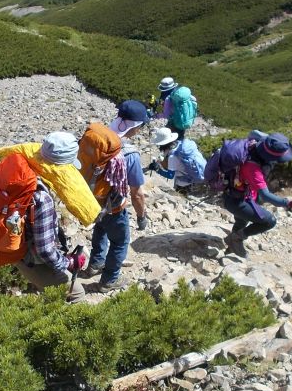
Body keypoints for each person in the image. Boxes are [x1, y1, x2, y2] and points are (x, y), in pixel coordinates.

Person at [12, 132, 88, 303]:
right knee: (76, 294)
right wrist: (68, 262)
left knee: (49, 293)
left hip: (17, 250)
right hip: (31, 260)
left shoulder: (25, 173)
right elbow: (45, 250)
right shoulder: (41, 198)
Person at [82, 100, 148, 293]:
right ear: (135, 126)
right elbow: (136, 194)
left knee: (100, 228)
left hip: (92, 198)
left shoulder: (99, 138)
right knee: (120, 241)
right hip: (114, 205)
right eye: (141, 126)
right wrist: (141, 216)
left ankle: (95, 263)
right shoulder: (130, 154)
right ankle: (109, 280)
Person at [222, 132, 292, 257]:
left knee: (242, 221)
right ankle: (236, 240)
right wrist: (289, 203)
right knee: (269, 221)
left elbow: (255, 132)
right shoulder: (252, 168)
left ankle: (232, 246)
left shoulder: (256, 143)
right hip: (237, 201)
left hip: (236, 194)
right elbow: (265, 195)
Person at [147, 126, 206, 193]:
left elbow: (170, 175)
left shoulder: (172, 157)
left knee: (182, 196)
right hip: (189, 177)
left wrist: (157, 170)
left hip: (183, 182)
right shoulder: (178, 143)